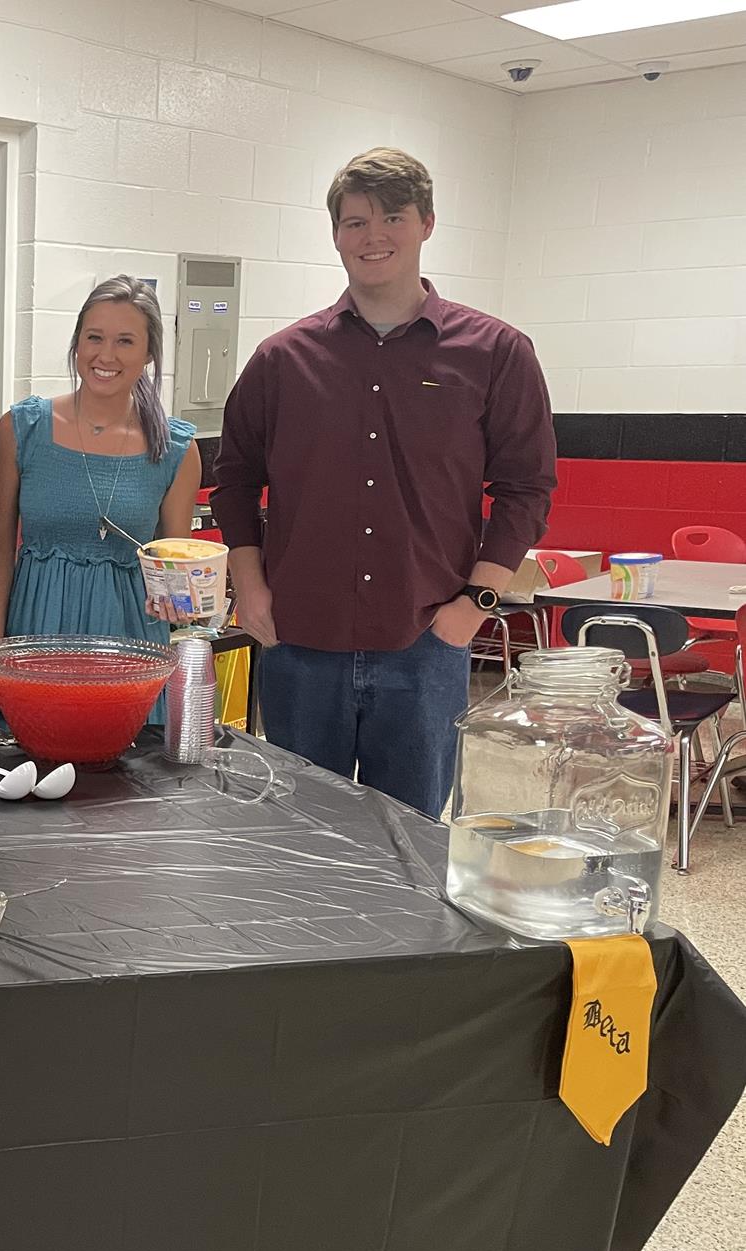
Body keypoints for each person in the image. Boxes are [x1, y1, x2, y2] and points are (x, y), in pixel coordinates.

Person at [210, 147, 556, 817]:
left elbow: (526, 487)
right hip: (299, 646)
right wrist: (249, 590)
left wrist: (473, 608)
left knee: (416, 849)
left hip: (426, 646)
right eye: (354, 222)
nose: (373, 238)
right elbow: (234, 479)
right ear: (336, 234)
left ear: (426, 222)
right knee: (303, 846)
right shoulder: (282, 360)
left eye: (392, 217)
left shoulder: (496, 353)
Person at [0, 275, 201, 727]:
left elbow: (175, 574)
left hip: (131, 650)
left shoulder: (174, 449)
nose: (106, 355)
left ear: (149, 353)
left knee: (125, 789)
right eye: (94, 337)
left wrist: (188, 601)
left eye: (125, 341)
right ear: (77, 341)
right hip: (36, 639)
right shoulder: (23, 430)